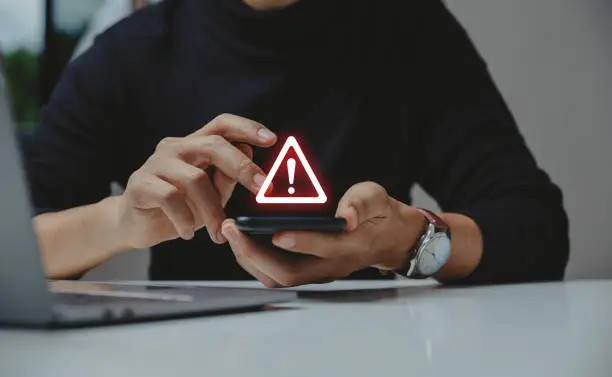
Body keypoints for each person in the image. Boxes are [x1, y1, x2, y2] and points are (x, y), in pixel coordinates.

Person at [22, 0, 569, 287]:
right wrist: (122, 222)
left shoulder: (407, 26)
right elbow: (15, 249)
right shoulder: (129, 55)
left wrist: (406, 242)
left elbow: (535, 230)